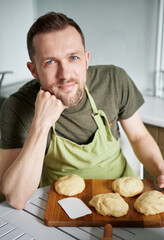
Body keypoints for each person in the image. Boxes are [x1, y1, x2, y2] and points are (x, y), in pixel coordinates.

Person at [0, 12, 164, 210]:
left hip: (123, 198)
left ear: (86, 59)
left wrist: (161, 170)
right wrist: (40, 125)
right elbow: (16, 198)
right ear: (34, 70)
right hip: (64, 206)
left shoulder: (114, 80)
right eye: (50, 62)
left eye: (73, 57)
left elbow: (138, 136)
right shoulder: (18, 106)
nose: (65, 74)